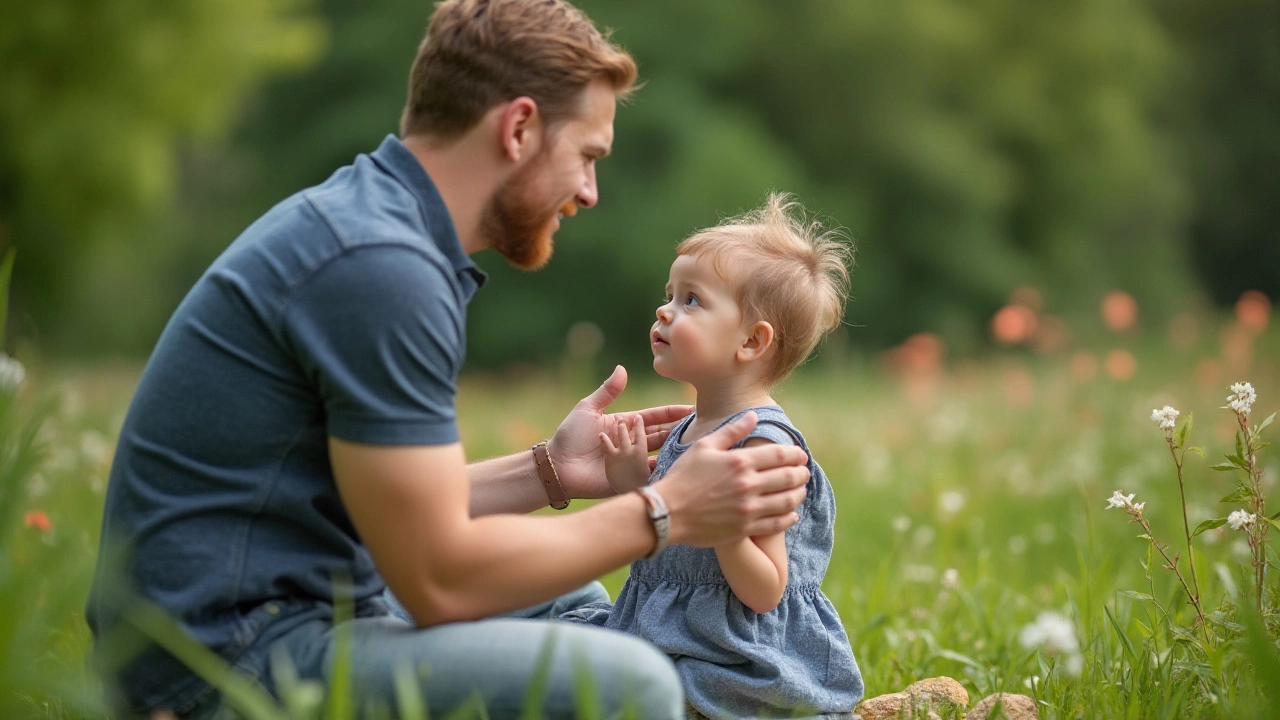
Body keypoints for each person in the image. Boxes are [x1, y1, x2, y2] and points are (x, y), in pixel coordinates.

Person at [85, 2, 812, 718]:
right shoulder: (383, 270)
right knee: (636, 684)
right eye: (586, 156)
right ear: (519, 128)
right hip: (222, 665)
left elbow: (386, 507)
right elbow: (438, 579)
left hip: (273, 603)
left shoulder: (369, 224)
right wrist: (666, 509)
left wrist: (549, 472)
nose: (589, 192)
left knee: (574, 601)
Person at [564, 193, 864, 719]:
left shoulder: (763, 445)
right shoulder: (691, 426)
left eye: (691, 300)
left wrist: (726, 525)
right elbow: (667, 533)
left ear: (751, 340)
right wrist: (637, 485)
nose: (665, 309)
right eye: (670, 295)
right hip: (670, 632)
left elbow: (767, 588)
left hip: (729, 656)